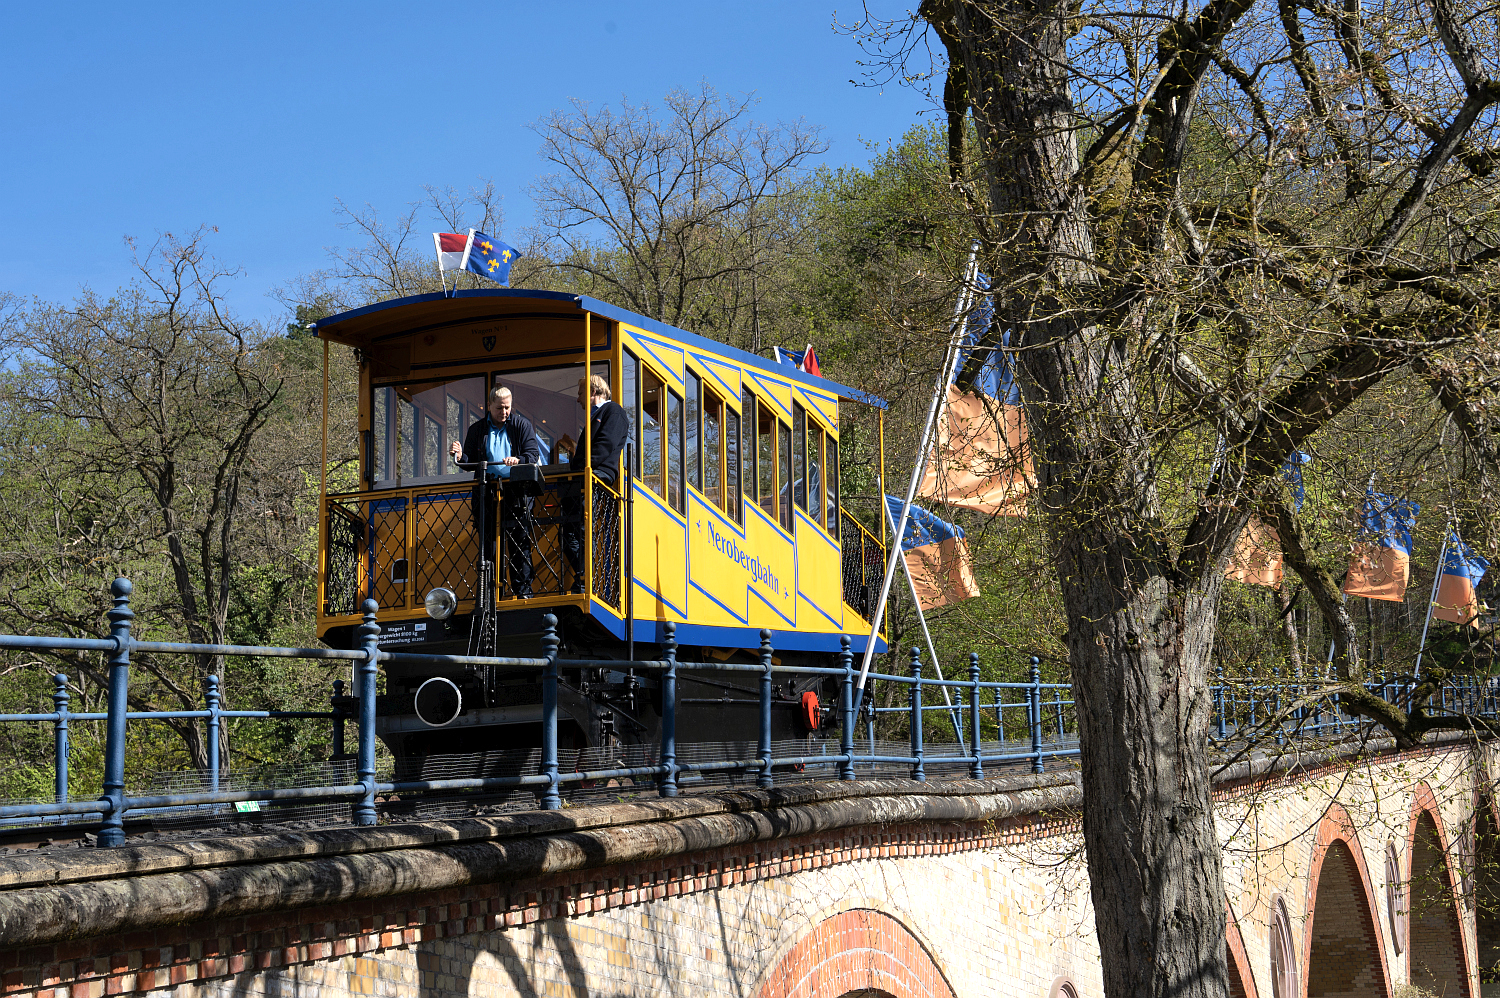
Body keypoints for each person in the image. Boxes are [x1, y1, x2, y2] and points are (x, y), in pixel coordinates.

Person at [450, 385, 540, 598]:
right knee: (488, 548)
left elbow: (533, 455)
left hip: (517, 494)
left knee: (520, 544)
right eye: (500, 407)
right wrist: (460, 456)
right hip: (487, 493)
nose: (504, 412)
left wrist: (518, 460)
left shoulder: (521, 425)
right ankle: (491, 594)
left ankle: (523, 592)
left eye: (508, 407)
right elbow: (469, 462)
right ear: (489, 406)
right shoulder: (477, 429)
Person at [564, 374, 630, 596]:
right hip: (583, 477)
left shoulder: (614, 412)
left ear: (593, 392)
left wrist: (581, 465)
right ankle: (583, 574)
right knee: (569, 531)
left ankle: (585, 579)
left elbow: (604, 446)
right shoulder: (594, 417)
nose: (578, 399)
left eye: (580, 393)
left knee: (584, 526)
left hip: (597, 476)